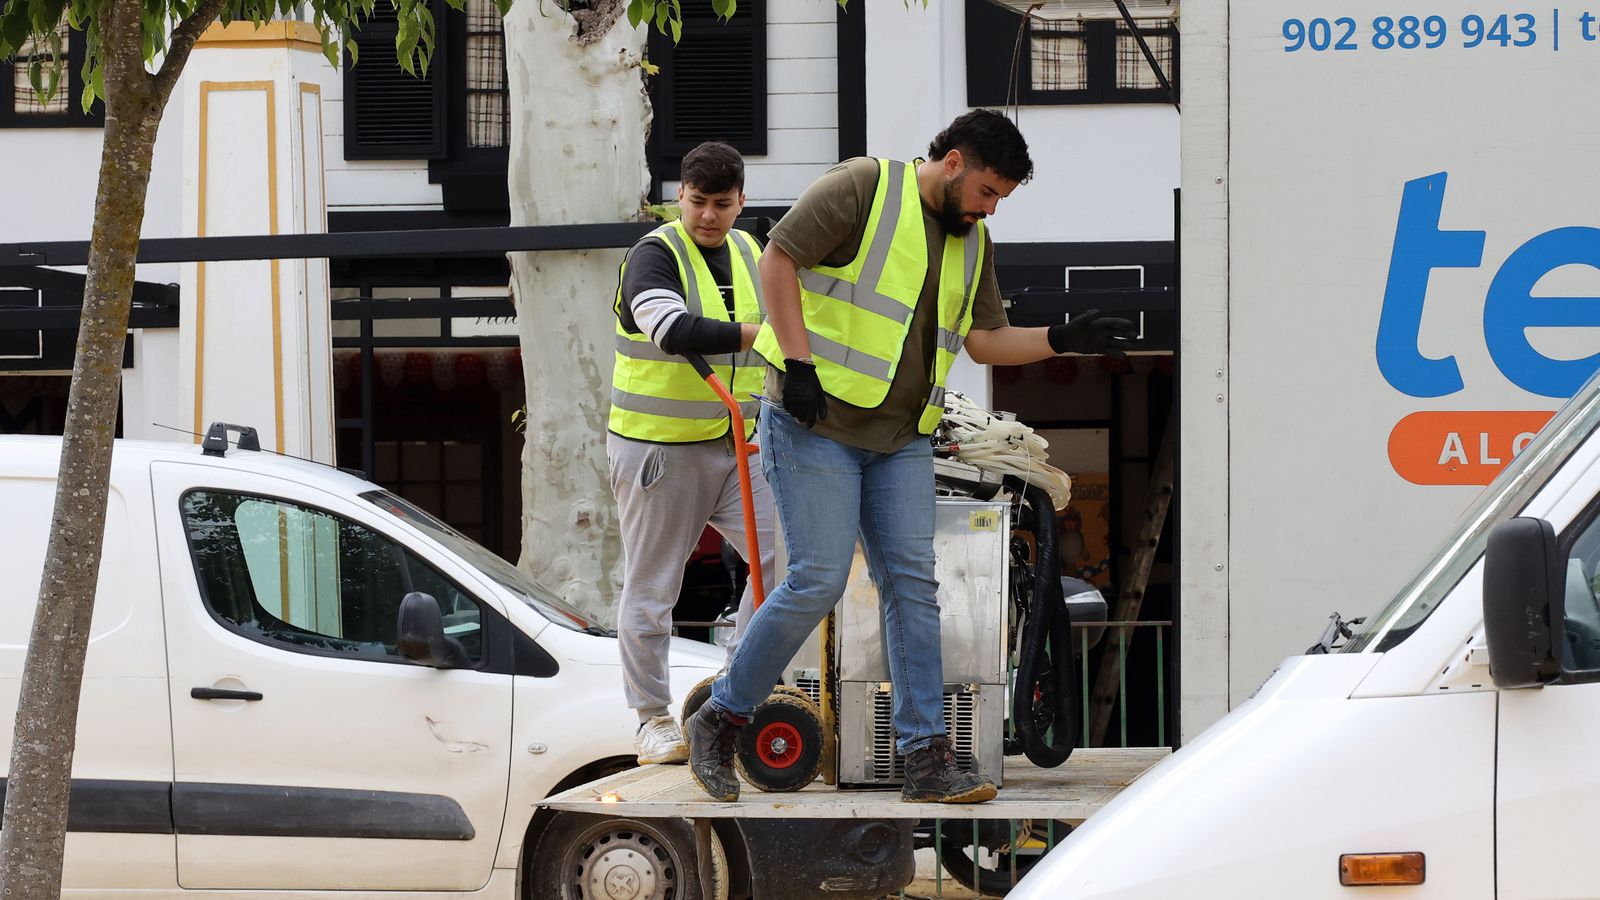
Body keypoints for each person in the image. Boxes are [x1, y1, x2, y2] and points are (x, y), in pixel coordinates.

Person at [685, 110, 1136, 802]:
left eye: (1000, 201)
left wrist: (1062, 336)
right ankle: (722, 715)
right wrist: (798, 364)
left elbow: (986, 340)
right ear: (953, 163)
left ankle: (926, 756)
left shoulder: (972, 241)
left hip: (900, 439)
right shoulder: (865, 186)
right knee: (818, 580)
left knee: (913, 587)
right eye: (987, 192)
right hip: (815, 424)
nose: (989, 209)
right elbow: (779, 259)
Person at [608, 140, 777, 766]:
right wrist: (766, 334)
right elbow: (672, 330)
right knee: (654, 589)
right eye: (698, 201)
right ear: (679, 195)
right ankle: (651, 719)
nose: (708, 214)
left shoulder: (751, 250)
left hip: (739, 443)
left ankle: (732, 695)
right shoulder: (652, 255)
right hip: (658, 450)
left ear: (741, 203)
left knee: (783, 568)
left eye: (722, 204)